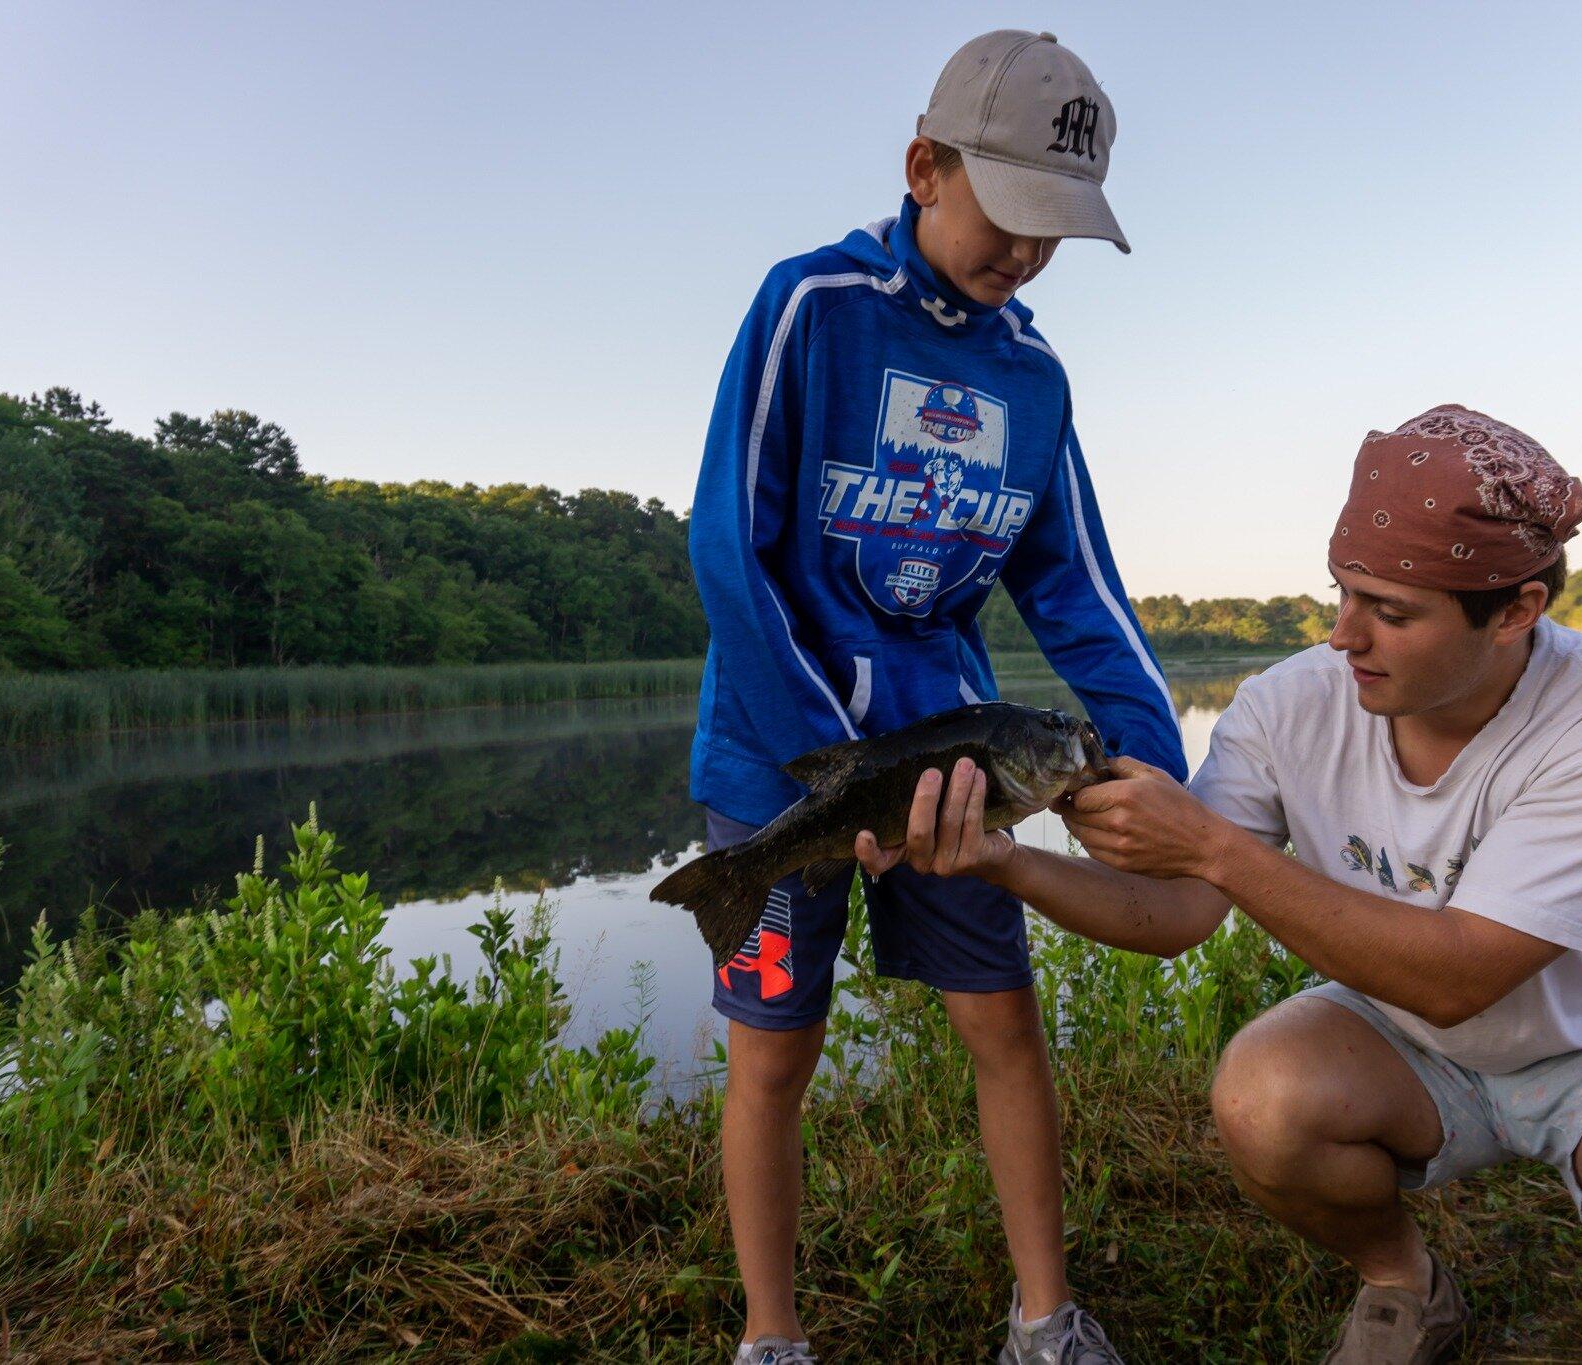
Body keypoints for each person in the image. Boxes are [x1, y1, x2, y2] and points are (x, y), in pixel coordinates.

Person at [859, 406, 1582, 1364]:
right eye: (1341, 594)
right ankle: (1404, 1283)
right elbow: (1174, 918)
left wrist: (1214, 849)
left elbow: (1459, 975)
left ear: (1516, 614)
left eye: (1390, 612)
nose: (1342, 637)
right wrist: (1006, 861)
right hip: (1401, 1035)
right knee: (1262, 1098)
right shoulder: (1288, 706)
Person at [684, 29, 1185, 1365]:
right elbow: (729, 549)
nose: (1025, 255)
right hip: (779, 765)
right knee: (771, 1056)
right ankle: (772, 1338)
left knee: (1003, 1026)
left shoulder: (1030, 376)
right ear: (923, 167)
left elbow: (1076, 587)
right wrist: (829, 772)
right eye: (1009, 216)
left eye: (1054, 233)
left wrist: (1150, 770)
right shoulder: (812, 308)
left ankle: (1041, 1319)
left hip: (957, 774)